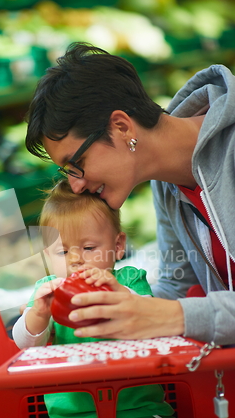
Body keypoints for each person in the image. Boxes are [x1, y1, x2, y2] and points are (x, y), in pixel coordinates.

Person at [25, 42, 235, 346]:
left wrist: (175, 316)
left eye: (77, 164)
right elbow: (177, 290)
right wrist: (113, 296)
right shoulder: (167, 184)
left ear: (122, 127)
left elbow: (172, 310)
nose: (76, 186)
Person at [13, 179, 200, 418]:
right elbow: (23, 344)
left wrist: (117, 293)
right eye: (62, 251)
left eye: (89, 248)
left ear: (117, 246)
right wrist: (38, 315)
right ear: (47, 255)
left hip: (140, 412)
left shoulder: (129, 281)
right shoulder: (49, 291)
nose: (76, 260)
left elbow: (149, 321)